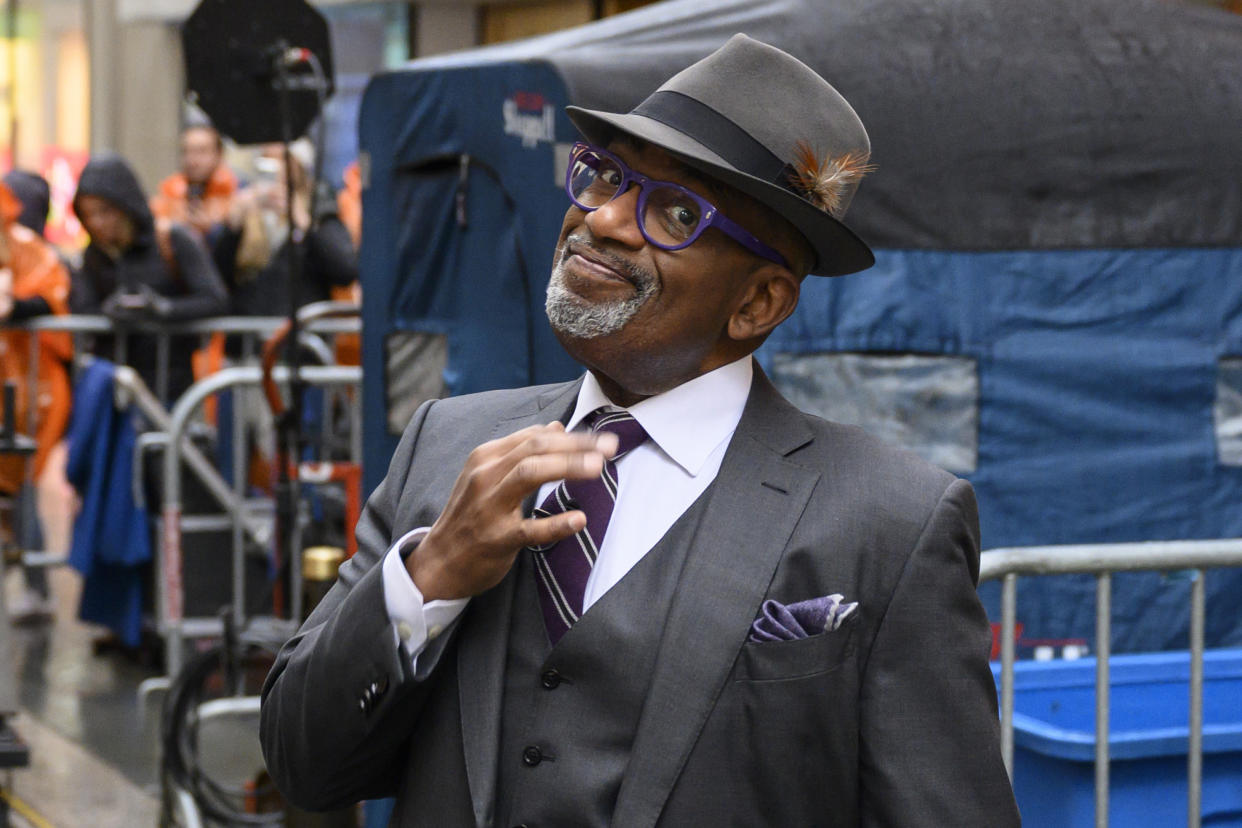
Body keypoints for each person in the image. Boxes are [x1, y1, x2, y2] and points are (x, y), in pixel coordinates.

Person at [260, 35, 1020, 826]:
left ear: (758, 303)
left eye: (678, 212)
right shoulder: (446, 445)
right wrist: (430, 576)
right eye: (605, 176)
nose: (608, 220)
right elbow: (301, 765)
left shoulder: (887, 522)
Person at [71, 153, 229, 404]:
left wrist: (163, 309)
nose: (97, 222)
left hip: (170, 385)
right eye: (88, 214)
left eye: (105, 211)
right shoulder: (93, 256)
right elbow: (82, 310)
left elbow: (214, 298)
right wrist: (108, 312)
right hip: (114, 388)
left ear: (125, 206)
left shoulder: (172, 240)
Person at [0, 179, 73, 622]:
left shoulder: (30, 251)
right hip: (16, 390)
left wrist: (14, 304)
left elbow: (51, 299)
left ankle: (36, 585)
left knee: (23, 489)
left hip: (29, 396)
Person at [213, 140, 357, 320]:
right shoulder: (245, 204)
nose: (276, 167)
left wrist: (303, 223)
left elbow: (344, 270)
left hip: (299, 332)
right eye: (267, 159)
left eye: (283, 159)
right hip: (248, 334)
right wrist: (233, 227)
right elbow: (216, 277)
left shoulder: (318, 205)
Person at [150, 122, 238, 244]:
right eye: (186, 151)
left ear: (219, 155)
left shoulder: (237, 192)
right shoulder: (170, 193)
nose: (192, 160)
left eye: (201, 152)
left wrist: (212, 230)